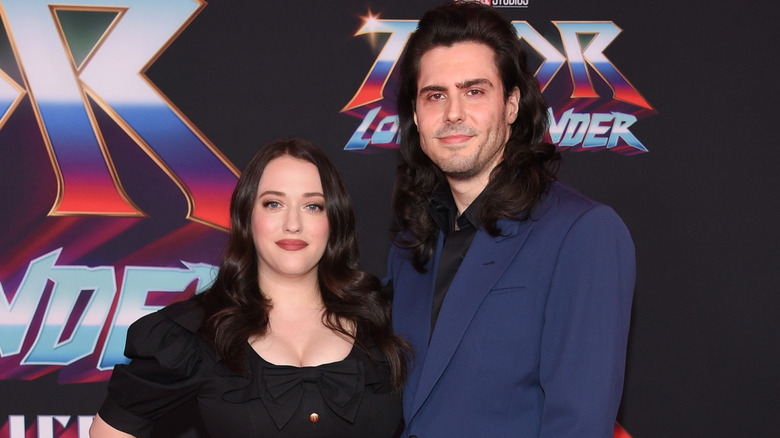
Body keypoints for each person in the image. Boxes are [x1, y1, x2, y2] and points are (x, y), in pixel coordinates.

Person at [386, 2, 636, 437]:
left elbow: (578, 425)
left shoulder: (582, 233)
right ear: (415, 116)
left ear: (512, 104)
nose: (453, 114)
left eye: (475, 91)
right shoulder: (410, 247)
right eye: (435, 95)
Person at [90, 137, 410, 437]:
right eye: (273, 204)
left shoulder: (384, 321)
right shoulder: (197, 334)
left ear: (334, 220)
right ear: (247, 216)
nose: (293, 223)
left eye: (313, 205)